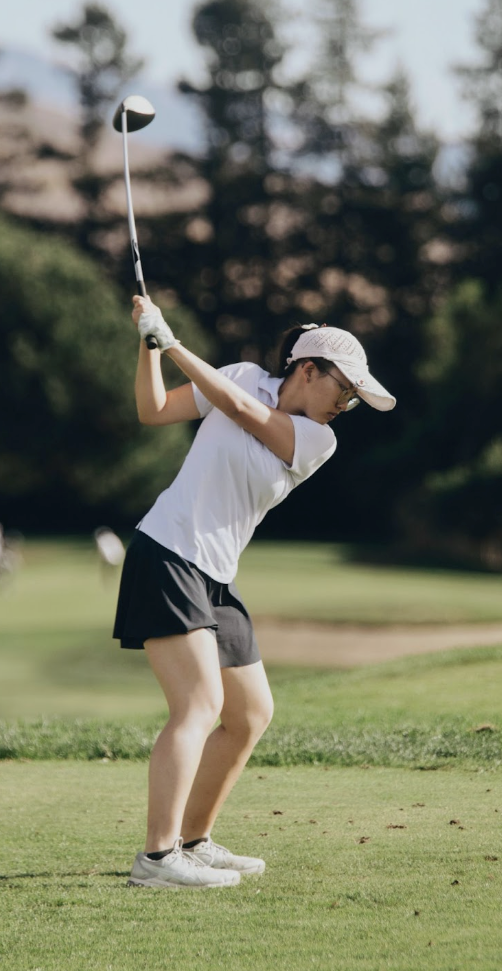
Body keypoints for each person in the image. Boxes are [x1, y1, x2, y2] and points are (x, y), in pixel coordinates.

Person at [114, 296, 395, 889]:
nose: (347, 405)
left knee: (250, 714)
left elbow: (239, 409)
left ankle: (194, 840)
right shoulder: (240, 375)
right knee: (198, 706)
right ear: (308, 369)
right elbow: (154, 409)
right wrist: (150, 345)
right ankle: (158, 859)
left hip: (214, 574)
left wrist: (173, 340)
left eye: (354, 400)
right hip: (168, 551)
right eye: (344, 390)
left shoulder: (316, 439)